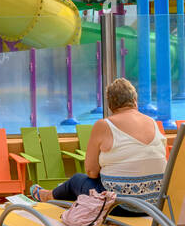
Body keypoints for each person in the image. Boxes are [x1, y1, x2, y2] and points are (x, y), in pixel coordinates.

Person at [28, 78, 166, 208]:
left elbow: (91, 171)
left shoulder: (104, 125)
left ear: (110, 104)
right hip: (154, 204)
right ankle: (57, 192)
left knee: (76, 180)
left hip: (120, 205)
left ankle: (46, 195)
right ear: (135, 100)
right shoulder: (153, 123)